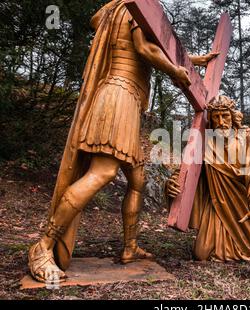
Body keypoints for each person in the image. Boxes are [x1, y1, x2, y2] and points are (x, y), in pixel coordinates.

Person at [28, 0, 217, 283]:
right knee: (103, 172)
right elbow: (144, 47)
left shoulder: (116, 9)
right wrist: (173, 71)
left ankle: (129, 247)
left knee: (138, 180)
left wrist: (191, 61)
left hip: (124, 98)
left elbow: (136, 36)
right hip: (119, 95)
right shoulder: (134, 7)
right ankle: (42, 247)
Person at [166, 96, 250, 261]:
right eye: (215, 116)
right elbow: (187, 168)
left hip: (244, 204)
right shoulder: (204, 142)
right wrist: (173, 182)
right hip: (216, 204)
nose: (220, 121)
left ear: (233, 116)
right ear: (210, 119)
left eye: (224, 115)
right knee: (201, 253)